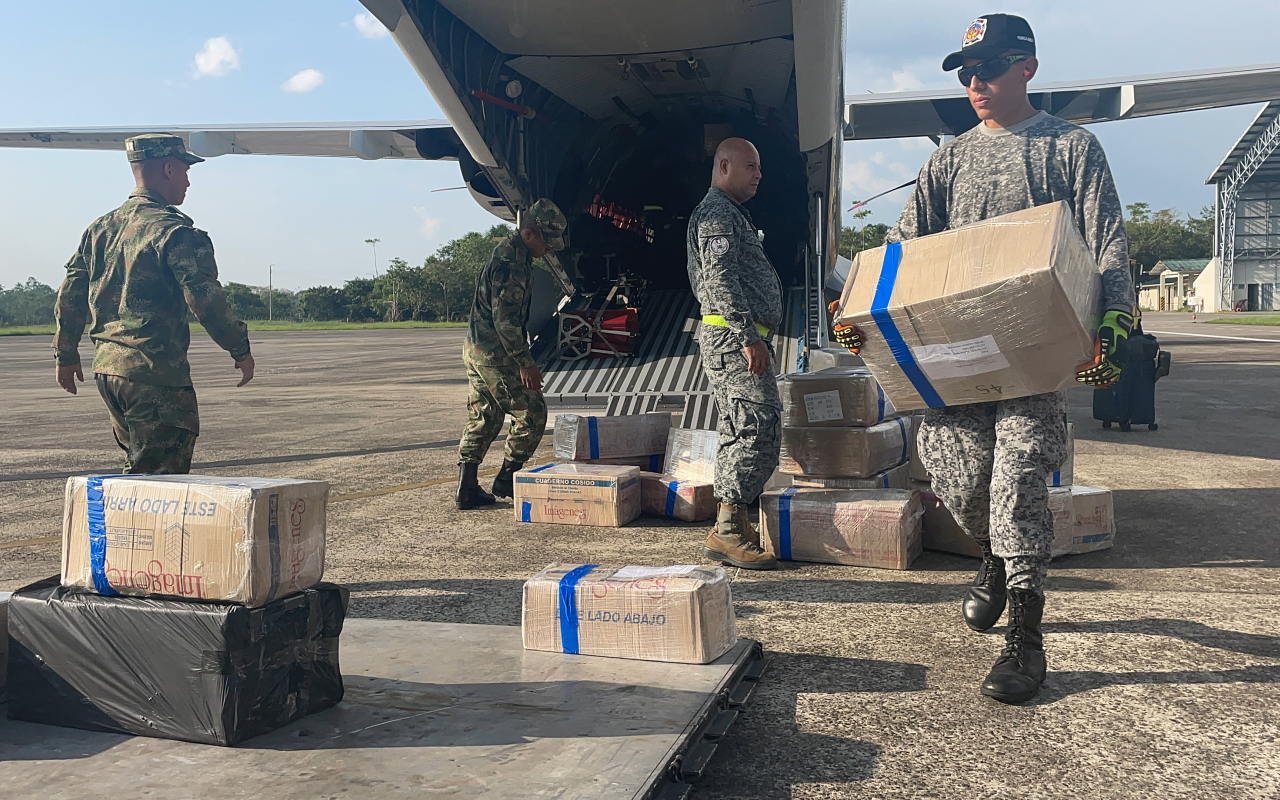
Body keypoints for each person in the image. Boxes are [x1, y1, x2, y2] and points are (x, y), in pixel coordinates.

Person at [831, 14, 1135, 703]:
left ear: (1027, 67)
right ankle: (995, 555)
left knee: (1019, 479)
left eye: (989, 69)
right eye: (967, 72)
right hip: (958, 358)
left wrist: (1115, 320)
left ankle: (1025, 636)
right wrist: (859, 311)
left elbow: (1106, 240)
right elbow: (903, 249)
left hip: (1036, 354)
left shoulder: (1070, 149)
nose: (976, 83)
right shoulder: (948, 161)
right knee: (961, 481)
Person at [53, 133, 254, 474]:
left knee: (140, 474)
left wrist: (66, 353)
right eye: (185, 171)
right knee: (160, 484)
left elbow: (71, 293)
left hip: (110, 371)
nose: (188, 181)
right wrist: (240, 348)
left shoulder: (100, 229)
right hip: (155, 376)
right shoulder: (175, 233)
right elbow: (206, 300)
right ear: (169, 169)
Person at [687, 137, 784, 570]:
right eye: (751, 166)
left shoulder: (729, 213)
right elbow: (720, 278)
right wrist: (747, 336)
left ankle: (733, 524)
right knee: (757, 427)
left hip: (735, 337)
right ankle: (727, 530)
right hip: (733, 339)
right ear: (724, 166)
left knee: (742, 426)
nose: (759, 175)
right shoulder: (717, 214)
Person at [455, 198, 567, 509]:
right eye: (546, 241)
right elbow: (505, 321)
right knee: (532, 412)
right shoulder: (512, 264)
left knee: (485, 414)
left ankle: (467, 487)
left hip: (477, 350)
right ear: (529, 233)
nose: (550, 248)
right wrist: (525, 364)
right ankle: (507, 478)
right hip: (496, 354)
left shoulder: (511, 253)